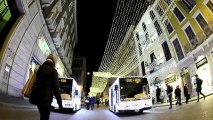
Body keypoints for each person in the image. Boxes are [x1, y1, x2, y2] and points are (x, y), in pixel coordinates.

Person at [35, 54, 63, 120]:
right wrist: (60, 103)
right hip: (46, 99)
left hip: (38, 97)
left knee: (42, 116)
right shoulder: (53, 71)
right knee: (45, 117)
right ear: (54, 61)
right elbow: (56, 89)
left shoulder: (40, 68)